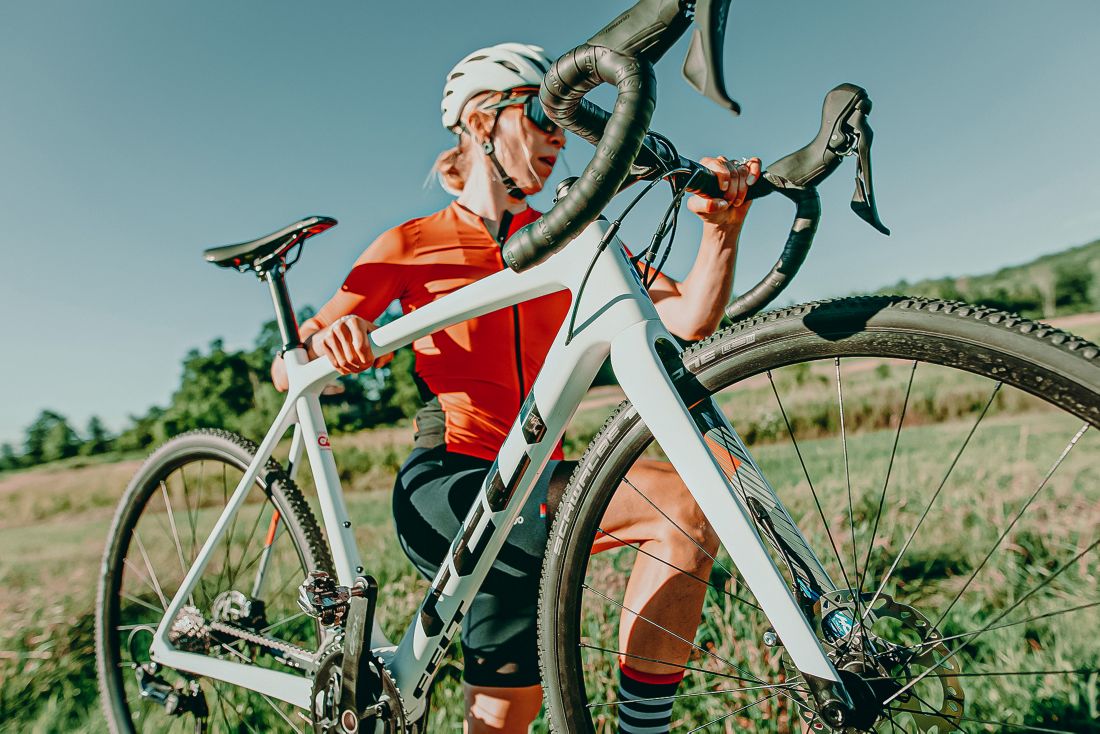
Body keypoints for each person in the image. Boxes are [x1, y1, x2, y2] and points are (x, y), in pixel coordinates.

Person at [272, 42, 761, 734]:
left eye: (568, 123)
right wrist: (329, 340)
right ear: (480, 125)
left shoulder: (563, 235)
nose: (560, 139)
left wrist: (720, 233)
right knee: (678, 502)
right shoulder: (412, 241)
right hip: (449, 486)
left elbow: (686, 316)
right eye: (543, 116)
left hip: (531, 476)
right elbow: (293, 356)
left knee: (504, 716)